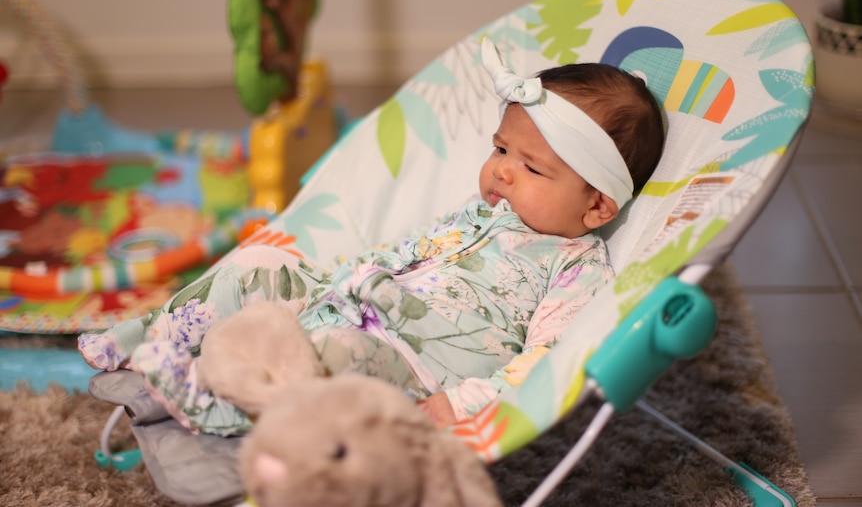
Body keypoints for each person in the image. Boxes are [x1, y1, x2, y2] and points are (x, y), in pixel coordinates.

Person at [78, 38, 664, 434]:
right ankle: (156, 337)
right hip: (346, 301)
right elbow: (403, 253)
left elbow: (547, 357)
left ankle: (218, 409)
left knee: (334, 360)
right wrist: (326, 284)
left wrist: (461, 404)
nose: (503, 169)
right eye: (501, 148)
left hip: (408, 362)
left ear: (596, 206)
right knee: (254, 273)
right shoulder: (477, 213)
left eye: (532, 168)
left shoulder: (574, 265)